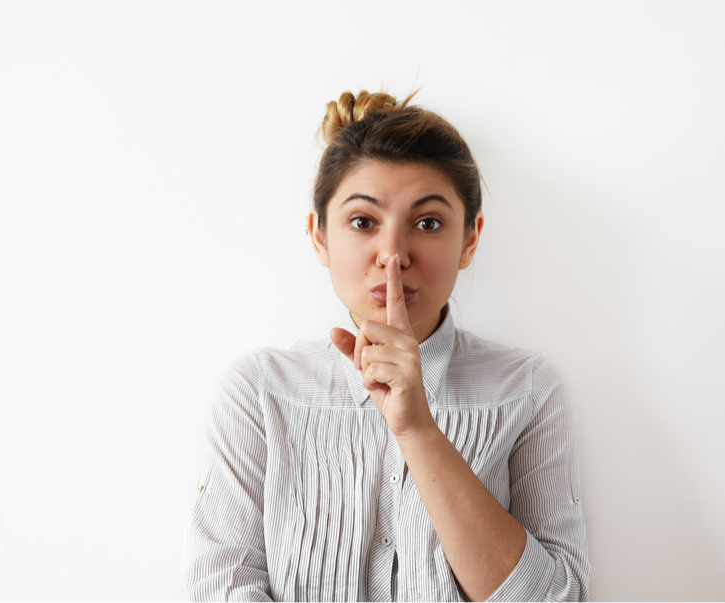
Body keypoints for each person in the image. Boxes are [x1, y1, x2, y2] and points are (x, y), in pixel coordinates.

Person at [182, 90, 590, 601]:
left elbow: (560, 598)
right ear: (319, 236)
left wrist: (417, 430)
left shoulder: (528, 389)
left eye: (427, 223)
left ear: (469, 238)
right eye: (362, 222)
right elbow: (221, 586)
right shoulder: (259, 390)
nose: (393, 254)